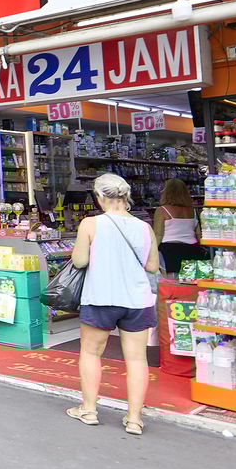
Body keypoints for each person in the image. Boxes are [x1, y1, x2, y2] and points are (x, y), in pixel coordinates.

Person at [67, 173, 160, 437]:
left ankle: (88, 409)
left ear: (100, 197)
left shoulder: (90, 224)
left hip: (101, 297)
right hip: (137, 301)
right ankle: (134, 419)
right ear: (125, 196)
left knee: (91, 352)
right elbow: (152, 266)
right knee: (137, 359)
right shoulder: (145, 227)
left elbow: (79, 262)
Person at [153, 178, 205, 273]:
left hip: (169, 251)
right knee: (191, 281)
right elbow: (198, 235)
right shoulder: (193, 211)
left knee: (171, 283)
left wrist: (150, 252)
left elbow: (158, 234)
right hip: (192, 250)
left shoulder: (162, 210)